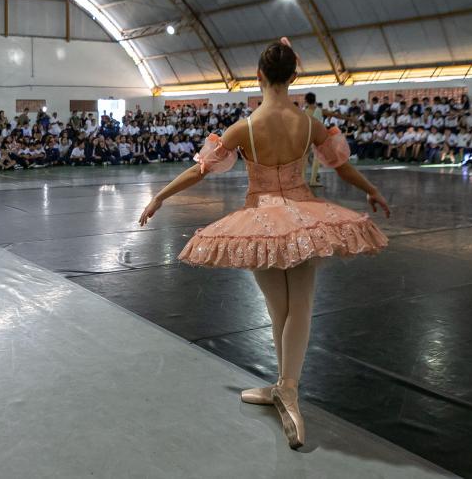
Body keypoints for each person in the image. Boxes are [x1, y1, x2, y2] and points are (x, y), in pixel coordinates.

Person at [138, 38, 390, 450]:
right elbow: (340, 166)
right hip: (306, 216)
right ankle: (285, 387)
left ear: (258, 75)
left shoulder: (246, 127)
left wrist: (161, 196)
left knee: (280, 309)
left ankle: (285, 389)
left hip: (260, 219)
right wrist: (372, 190)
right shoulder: (308, 123)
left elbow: (200, 170)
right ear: (294, 76)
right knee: (300, 306)